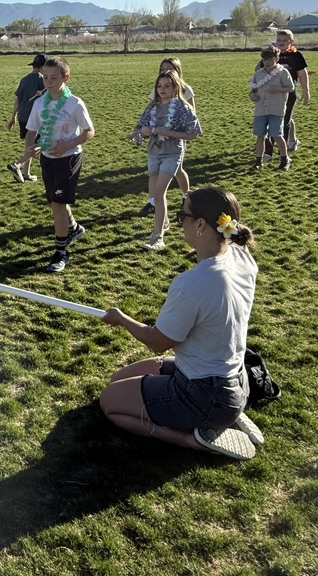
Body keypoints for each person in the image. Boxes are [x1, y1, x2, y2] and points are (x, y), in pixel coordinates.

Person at [99, 187, 264, 460]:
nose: (179, 223)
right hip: (233, 380)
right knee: (118, 381)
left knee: (109, 401)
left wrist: (121, 319)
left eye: (182, 216)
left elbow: (158, 342)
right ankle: (228, 413)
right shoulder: (241, 255)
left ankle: (194, 439)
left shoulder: (194, 282)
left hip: (205, 392)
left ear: (200, 224)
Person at [22, 56, 94, 272]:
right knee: (55, 201)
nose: (48, 82)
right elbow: (31, 131)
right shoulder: (39, 103)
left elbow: (89, 131)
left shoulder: (75, 103)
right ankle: (73, 228)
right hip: (47, 158)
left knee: (58, 204)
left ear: (66, 78)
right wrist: (30, 148)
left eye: (54, 77)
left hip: (69, 157)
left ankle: (61, 252)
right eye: (45, 77)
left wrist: (67, 145)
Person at [133, 70, 201, 251]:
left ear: (175, 88)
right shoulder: (152, 107)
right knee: (155, 194)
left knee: (159, 193)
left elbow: (193, 133)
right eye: (159, 86)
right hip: (154, 152)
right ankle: (164, 222)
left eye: (167, 86)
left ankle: (158, 237)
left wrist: (169, 132)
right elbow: (138, 130)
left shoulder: (182, 107)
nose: (162, 89)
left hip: (172, 153)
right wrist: (142, 132)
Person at [136, 57, 196, 215]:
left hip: (176, 139)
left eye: (169, 68)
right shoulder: (158, 89)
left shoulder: (185, 90)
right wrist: (146, 130)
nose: (165, 71)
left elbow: (191, 115)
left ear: (178, 71)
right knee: (156, 174)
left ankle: (186, 195)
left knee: (178, 170)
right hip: (157, 141)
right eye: (162, 69)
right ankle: (152, 203)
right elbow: (153, 111)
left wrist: (171, 129)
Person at [249, 46, 295, 171]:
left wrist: (278, 89)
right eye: (264, 59)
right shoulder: (258, 74)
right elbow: (253, 90)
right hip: (261, 110)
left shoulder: (283, 72)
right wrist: (252, 95)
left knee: (277, 135)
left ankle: (284, 159)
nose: (267, 62)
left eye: (270, 59)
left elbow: (291, 87)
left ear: (276, 58)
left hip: (276, 109)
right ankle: (258, 160)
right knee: (260, 136)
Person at [6, 53, 47, 183]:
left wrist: (13, 117)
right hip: (35, 117)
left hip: (23, 116)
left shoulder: (24, 79)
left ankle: (26, 173)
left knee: (29, 145)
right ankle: (18, 165)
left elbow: (17, 100)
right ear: (43, 67)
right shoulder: (43, 79)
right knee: (38, 145)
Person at [271, 28, 310, 155]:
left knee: (285, 117)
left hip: (288, 92)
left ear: (291, 42)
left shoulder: (296, 55)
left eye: (284, 40)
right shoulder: (273, 54)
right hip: (273, 92)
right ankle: (281, 140)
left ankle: (287, 143)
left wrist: (306, 91)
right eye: (279, 40)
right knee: (279, 116)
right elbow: (260, 69)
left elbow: (302, 74)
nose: (281, 42)